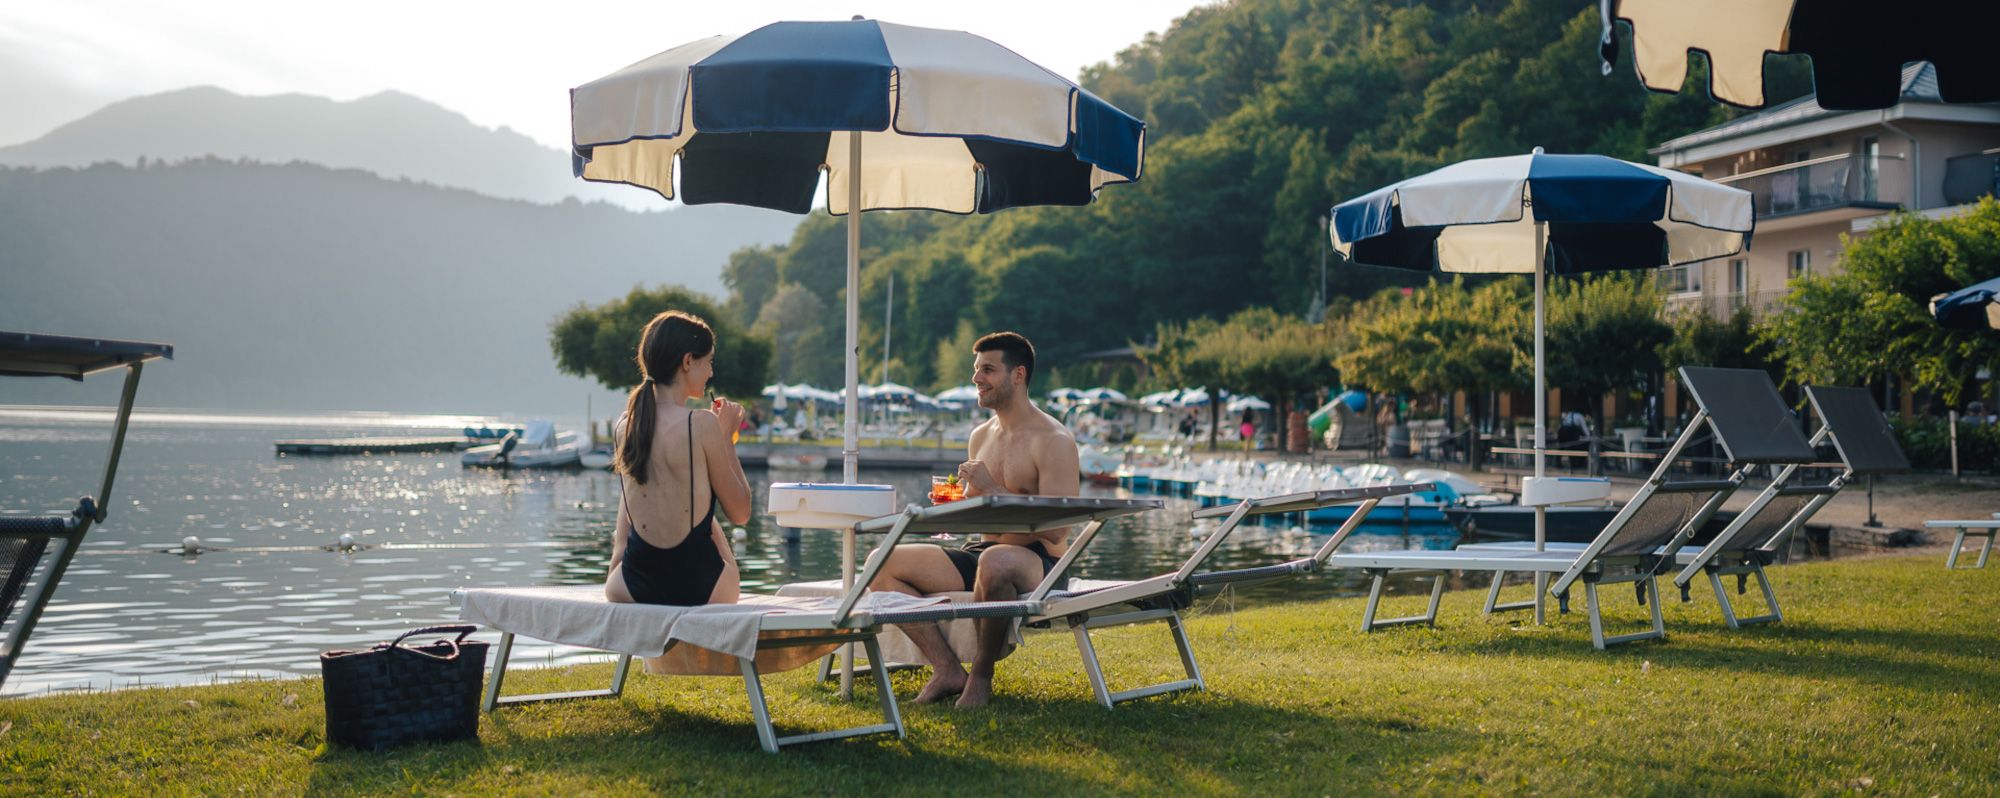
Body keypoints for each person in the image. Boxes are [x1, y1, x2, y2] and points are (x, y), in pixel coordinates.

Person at [868, 332, 1080, 707]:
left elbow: (1057, 529)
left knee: (994, 561)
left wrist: (992, 489)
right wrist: (952, 506)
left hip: (1039, 561)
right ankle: (947, 668)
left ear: (1018, 375)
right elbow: (982, 506)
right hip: (982, 551)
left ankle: (981, 674)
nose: (976, 378)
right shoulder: (980, 435)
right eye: (976, 369)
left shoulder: (1054, 440)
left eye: (988, 369)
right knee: (879, 563)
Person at [603, 310, 752, 607]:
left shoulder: (624, 425)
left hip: (632, 586)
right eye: (708, 361)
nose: (711, 372)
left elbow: (624, 530)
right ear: (687, 362)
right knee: (709, 525)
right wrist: (725, 437)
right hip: (701, 589)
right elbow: (741, 514)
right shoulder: (701, 424)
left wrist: (615, 573)